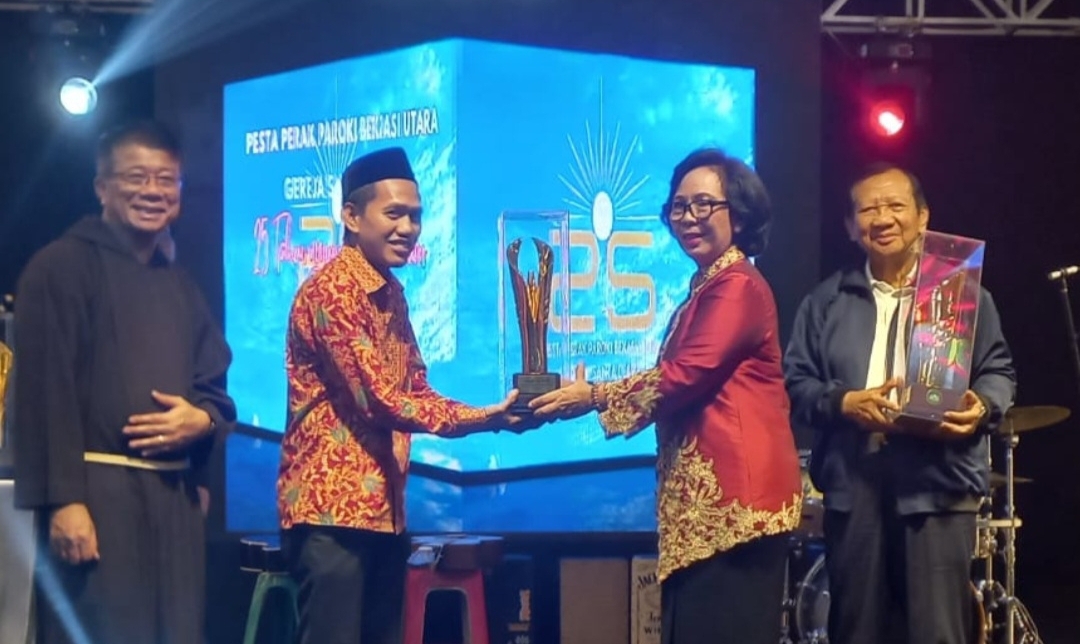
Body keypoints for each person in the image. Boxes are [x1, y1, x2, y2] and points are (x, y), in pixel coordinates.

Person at [529, 148, 803, 644]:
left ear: (739, 216)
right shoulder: (707, 286)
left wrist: (594, 395)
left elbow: (684, 374)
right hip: (708, 511)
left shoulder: (738, 286)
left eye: (704, 205)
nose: (688, 217)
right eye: (679, 206)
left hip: (736, 510)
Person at [277, 146, 531, 644]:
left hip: (382, 516)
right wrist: (484, 419)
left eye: (415, 216)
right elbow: (379, 400)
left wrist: (494, 413)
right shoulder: (333, 291)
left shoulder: (390, 291)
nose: (408, 228)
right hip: (331, 514)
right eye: (394, 214)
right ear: (351, 216)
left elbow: (414, 387)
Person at [12, 119, 235, 644]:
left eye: (166, 180)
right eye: (137, 177)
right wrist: (64, 502)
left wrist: (202, 422)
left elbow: (214, 381)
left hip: (172, 504)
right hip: (99, 501)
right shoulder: (59, 267)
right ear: (102, 187)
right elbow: (44, 393)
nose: (152, 191)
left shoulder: (179, 284)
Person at [783, 162, 1016, 644]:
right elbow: (795, 383)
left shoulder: (960, 294)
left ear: (923, 217)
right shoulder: (826, 301)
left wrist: (982, 407)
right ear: (851, 226)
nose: (882, 218)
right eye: (868, 209)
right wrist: (843, 401)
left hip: (939, 486)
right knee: (856, 631)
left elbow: (998, 371)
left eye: (895, 205)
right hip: (855, 487)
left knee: (938, 633)